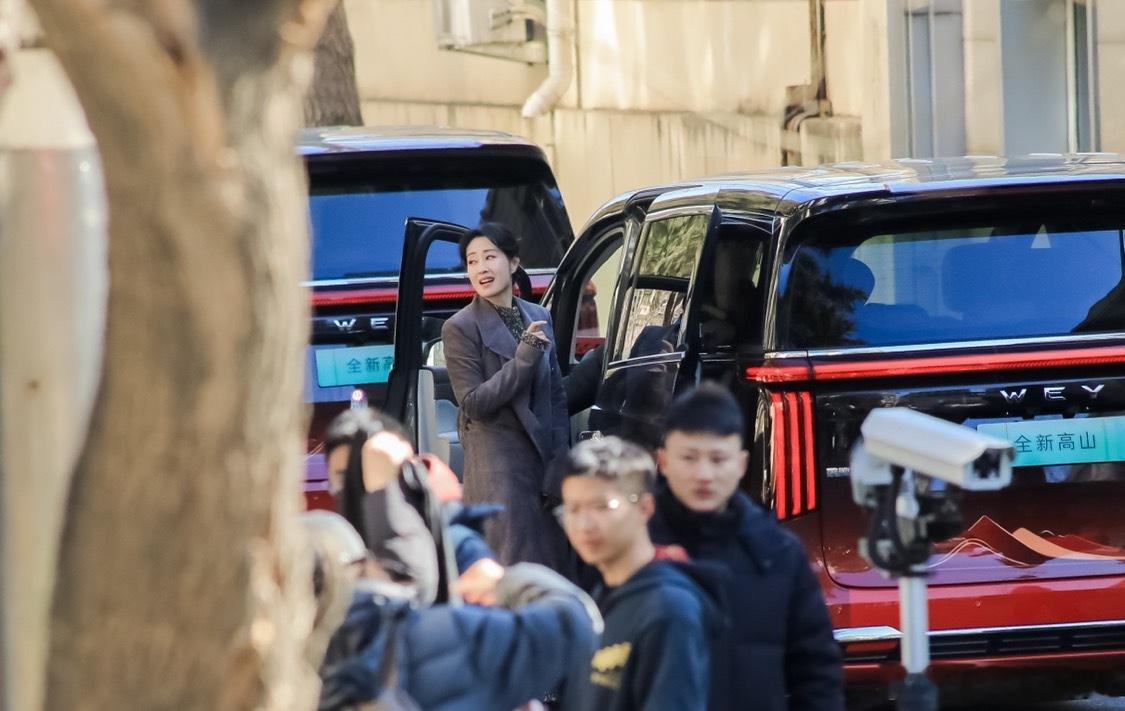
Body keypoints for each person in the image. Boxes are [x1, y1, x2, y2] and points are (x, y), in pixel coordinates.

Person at [649, 383, 845, 711]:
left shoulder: (777, 551)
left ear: (741, 464)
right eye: (689, 458)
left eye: (718, 459)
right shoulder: (631, 545)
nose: (704, 474)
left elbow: (816, 671)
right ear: (663, 461)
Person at [304, 510, 602, 711]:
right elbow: (575, 624)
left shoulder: (282, 668)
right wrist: (498, 576)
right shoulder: (429, 635)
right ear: (360, 566)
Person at [557, 436, 722, 711]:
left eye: (602, 507)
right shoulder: (601, 596)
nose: (584, 524)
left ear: (644, 508)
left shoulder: (670, 610)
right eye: (572, 509)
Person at [441, 222, 570, 566]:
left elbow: (556, 395)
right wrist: (524, 357)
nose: (481, 268)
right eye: (472, 261)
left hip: (544, 463)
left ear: (513, 263)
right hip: (500, 469)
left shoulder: (538, 315)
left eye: (490, 257)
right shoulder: (459, 327)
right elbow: (473, 403)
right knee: (514, 567)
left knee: (556, 567)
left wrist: (560, 459)